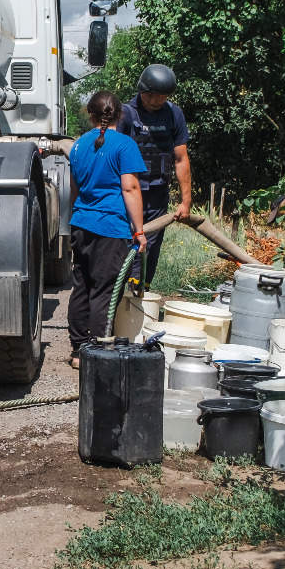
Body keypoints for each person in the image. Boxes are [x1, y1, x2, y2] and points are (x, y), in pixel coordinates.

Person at [67, 91, 149, 367]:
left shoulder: (78, 145)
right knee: (104, 290)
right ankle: (97, 351)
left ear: (90, 114)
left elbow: (74, 188)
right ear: (119, 115)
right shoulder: (124, 145)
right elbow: (130, 187)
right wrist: (139, 230)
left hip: (81, 224)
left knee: (82, 286)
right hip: (110, 228)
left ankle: (79, 350)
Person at [115, 63, 191, 288]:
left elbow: (181, 159)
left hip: (158, 193)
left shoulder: (174, 114)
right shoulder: (126, 114)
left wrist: (185, 201)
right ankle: (122, 298)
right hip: (130, 192)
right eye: (154, 96)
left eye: (163, 96)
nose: (158, 101)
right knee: (128, 245)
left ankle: (142, 293)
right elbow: (114, 153)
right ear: (142, 91)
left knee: (151, 249)